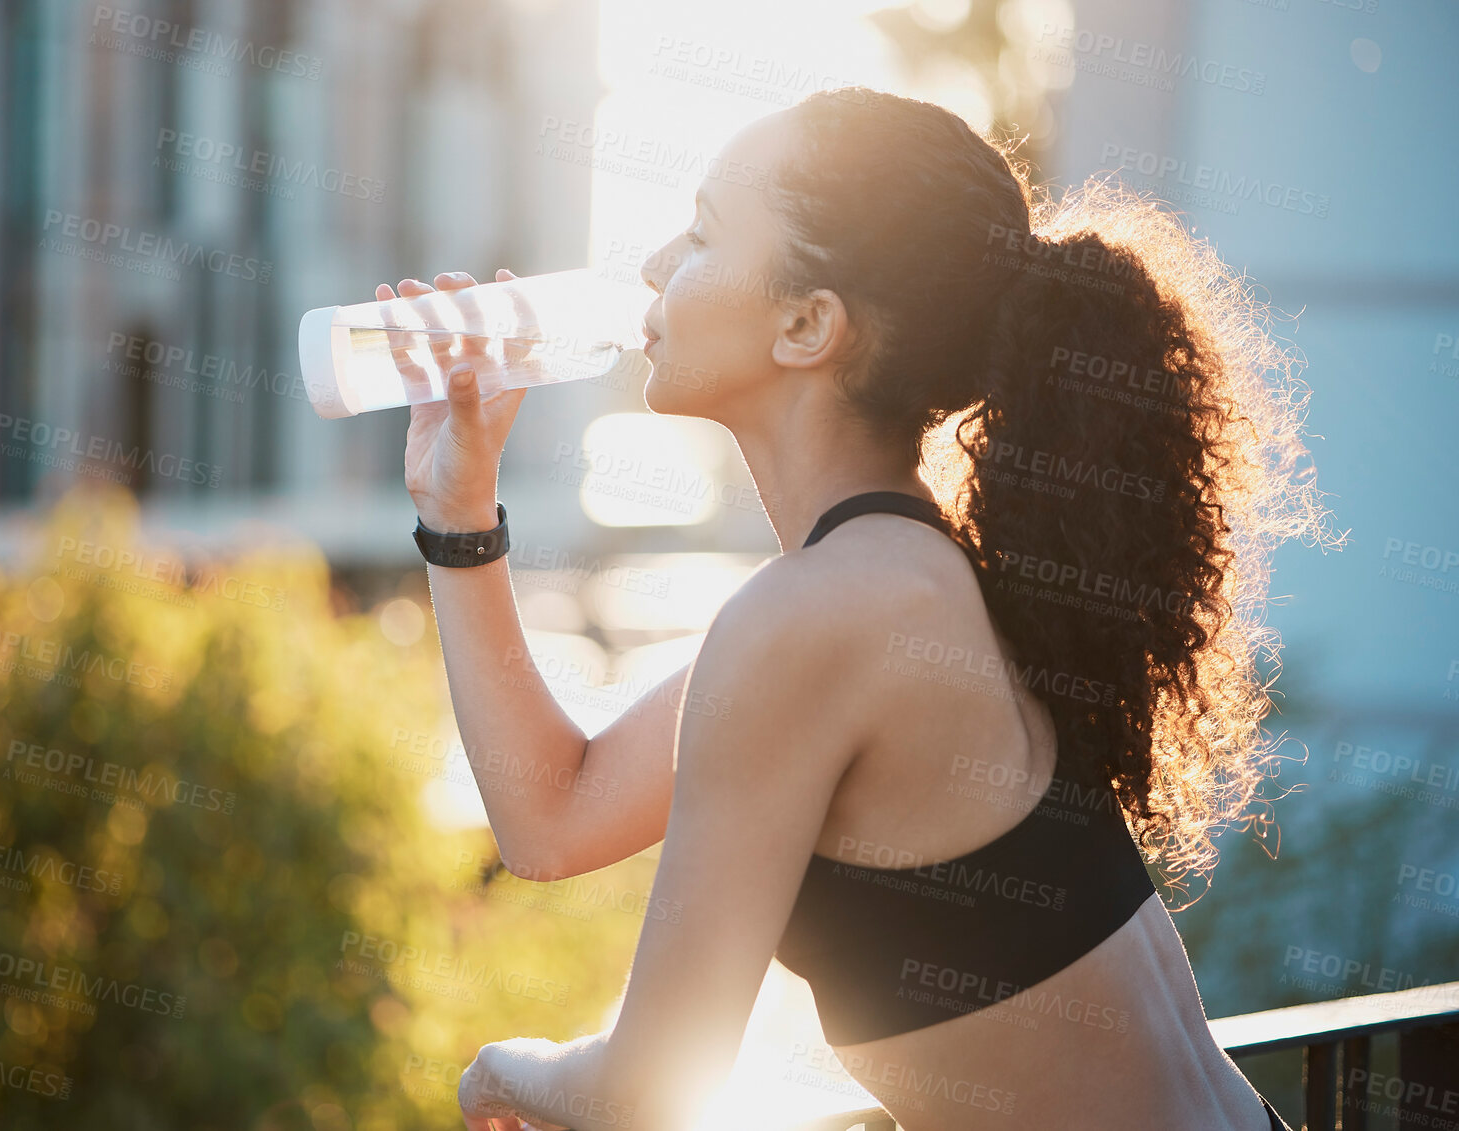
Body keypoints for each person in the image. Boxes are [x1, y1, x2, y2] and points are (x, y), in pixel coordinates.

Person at [381, 86, 1331, 1131]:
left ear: (805, 324)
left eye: (700, 233)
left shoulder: (825, 616)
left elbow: (643, 1093)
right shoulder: (897, 584)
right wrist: (458, 510)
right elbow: (551, 817)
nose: (653, 265)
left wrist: (500, 1068)